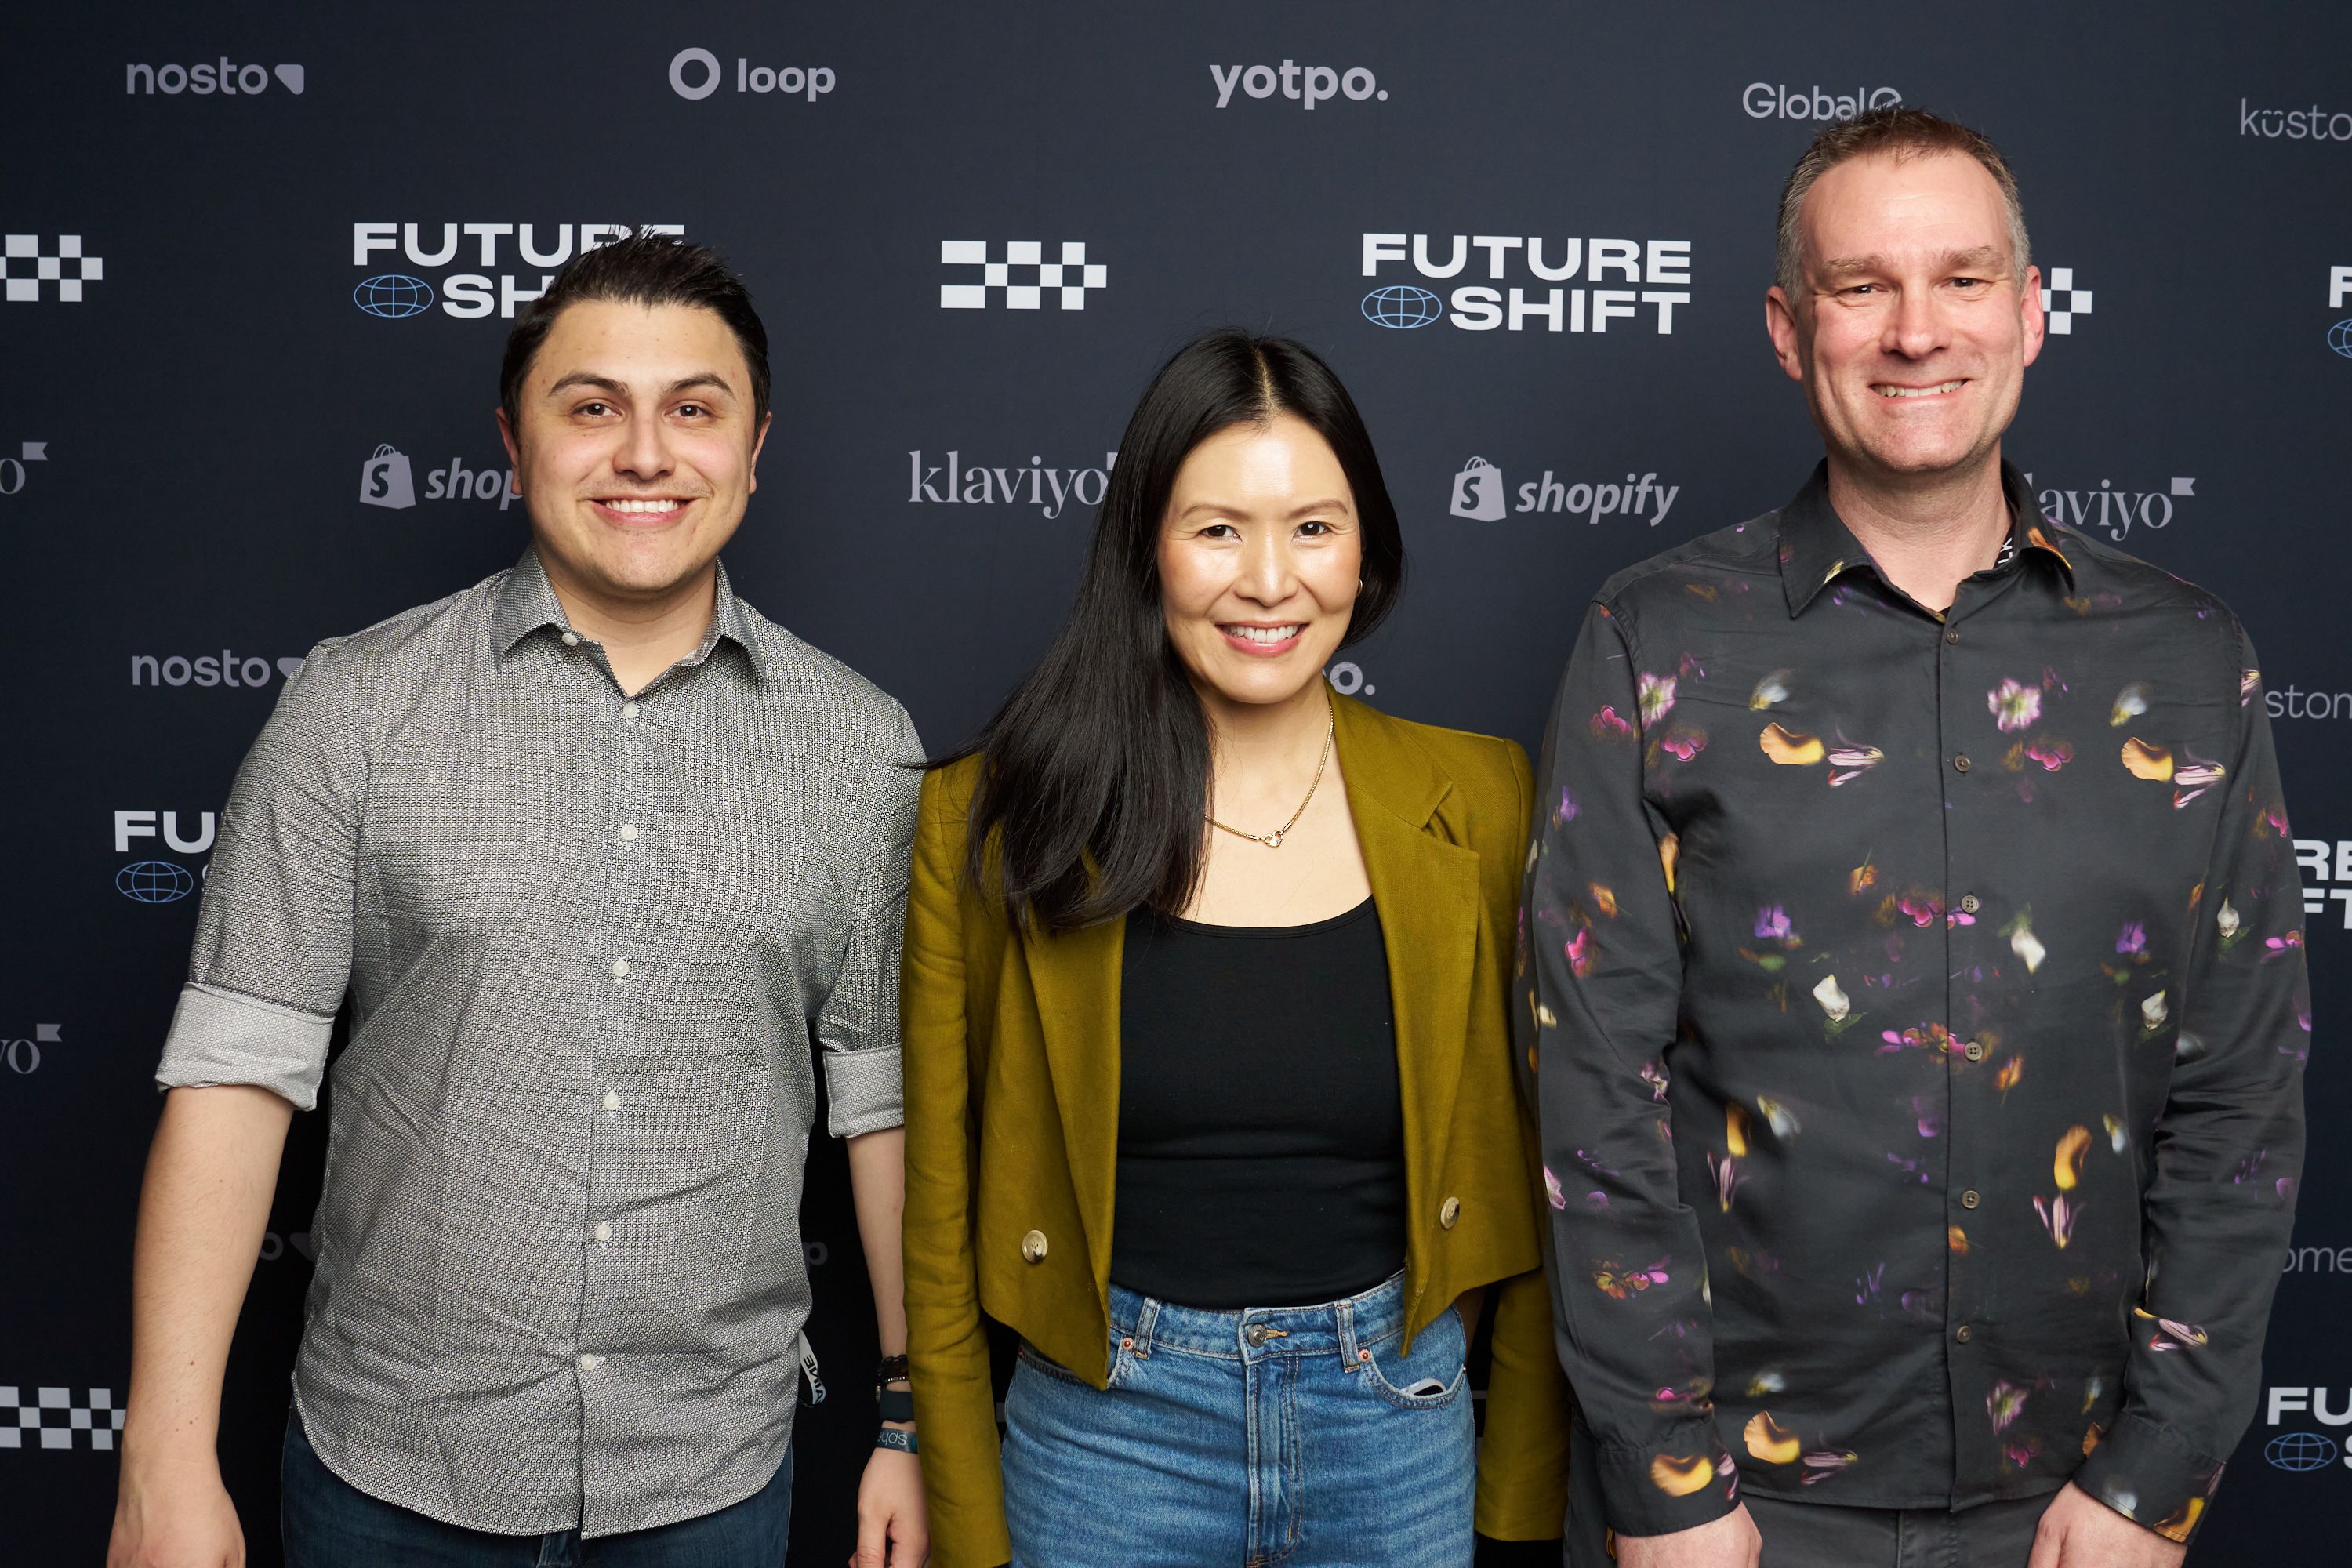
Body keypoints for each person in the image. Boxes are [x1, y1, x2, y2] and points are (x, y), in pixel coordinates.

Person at [1519, 106, 2309, 1568]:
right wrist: (1667, 1480)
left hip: (2078, 1504)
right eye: (1861, 286)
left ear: (2030, 311)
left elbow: (2243, 1094)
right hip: (1741, 1509)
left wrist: (2161, 1468)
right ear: (1786, 325)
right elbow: (1594, 1093)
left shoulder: (2194, 662)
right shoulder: (1654, 641)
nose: (1914, 332)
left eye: (1960, 278)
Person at [106, 233, 930, 1568]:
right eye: (593, 405)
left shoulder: (862, 751)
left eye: (694, 410)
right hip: (390, 1471)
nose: (646, 452)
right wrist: (163, 1459)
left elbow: (885, 1117)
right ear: (514, 439)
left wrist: (908, 1422)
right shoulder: (354, 711)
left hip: (708, 1485)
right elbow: (233, 1085)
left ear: (756, 445)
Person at [899, 329, 1572, 1567]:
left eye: (1314, 527)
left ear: (1366, 549)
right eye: (1218, 530)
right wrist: (970, 1531)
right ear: (1147, 550)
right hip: (1107, 1437)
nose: (1271, 580)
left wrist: (1518, 1511)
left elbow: (1535, 1180)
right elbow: (939, 1216)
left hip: (1397, 1426)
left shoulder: (1481, 801)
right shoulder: (994, 815)